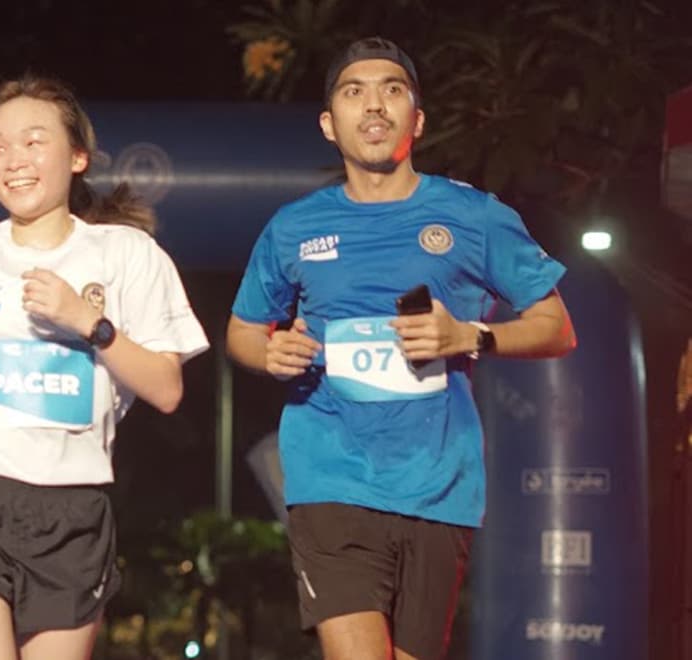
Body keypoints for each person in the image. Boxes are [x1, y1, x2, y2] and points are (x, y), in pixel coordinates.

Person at [225, 37, 577, 660]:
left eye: (392, 90)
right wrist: (269, 351)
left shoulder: (474, 216)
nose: (374, 105)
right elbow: (244, 332)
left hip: (438, 483)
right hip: (329, 475)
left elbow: (556, 327)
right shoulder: (294, 227)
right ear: (329, 125)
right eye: (354, 92)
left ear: (417, 120)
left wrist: (470, 335)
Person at [0, 74, 210, 660]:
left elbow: (167, 389)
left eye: (33, 141)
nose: (14, 160)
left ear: (78, 157)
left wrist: (87, 321)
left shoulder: (127, 254)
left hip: (74, 509)